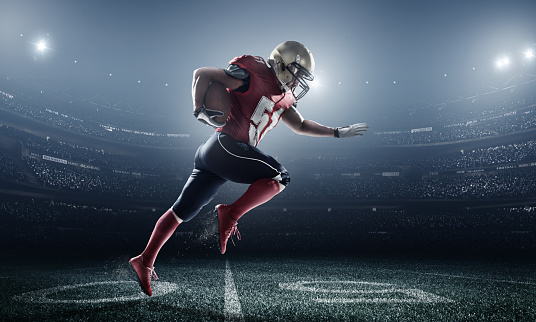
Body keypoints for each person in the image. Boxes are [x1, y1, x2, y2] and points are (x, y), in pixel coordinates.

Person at [130, 41, 368, 296]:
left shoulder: (284, 96)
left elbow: (300, 125)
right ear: (282, 64)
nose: (298, 83)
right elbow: (202, 74)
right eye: (297, 74)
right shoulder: (253, 72)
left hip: (218, 156)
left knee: (179, 213)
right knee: (280, 176)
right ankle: (229, 213)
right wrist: (199, 109)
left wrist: (336, 133)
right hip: (226, 145)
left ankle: (144, 260)